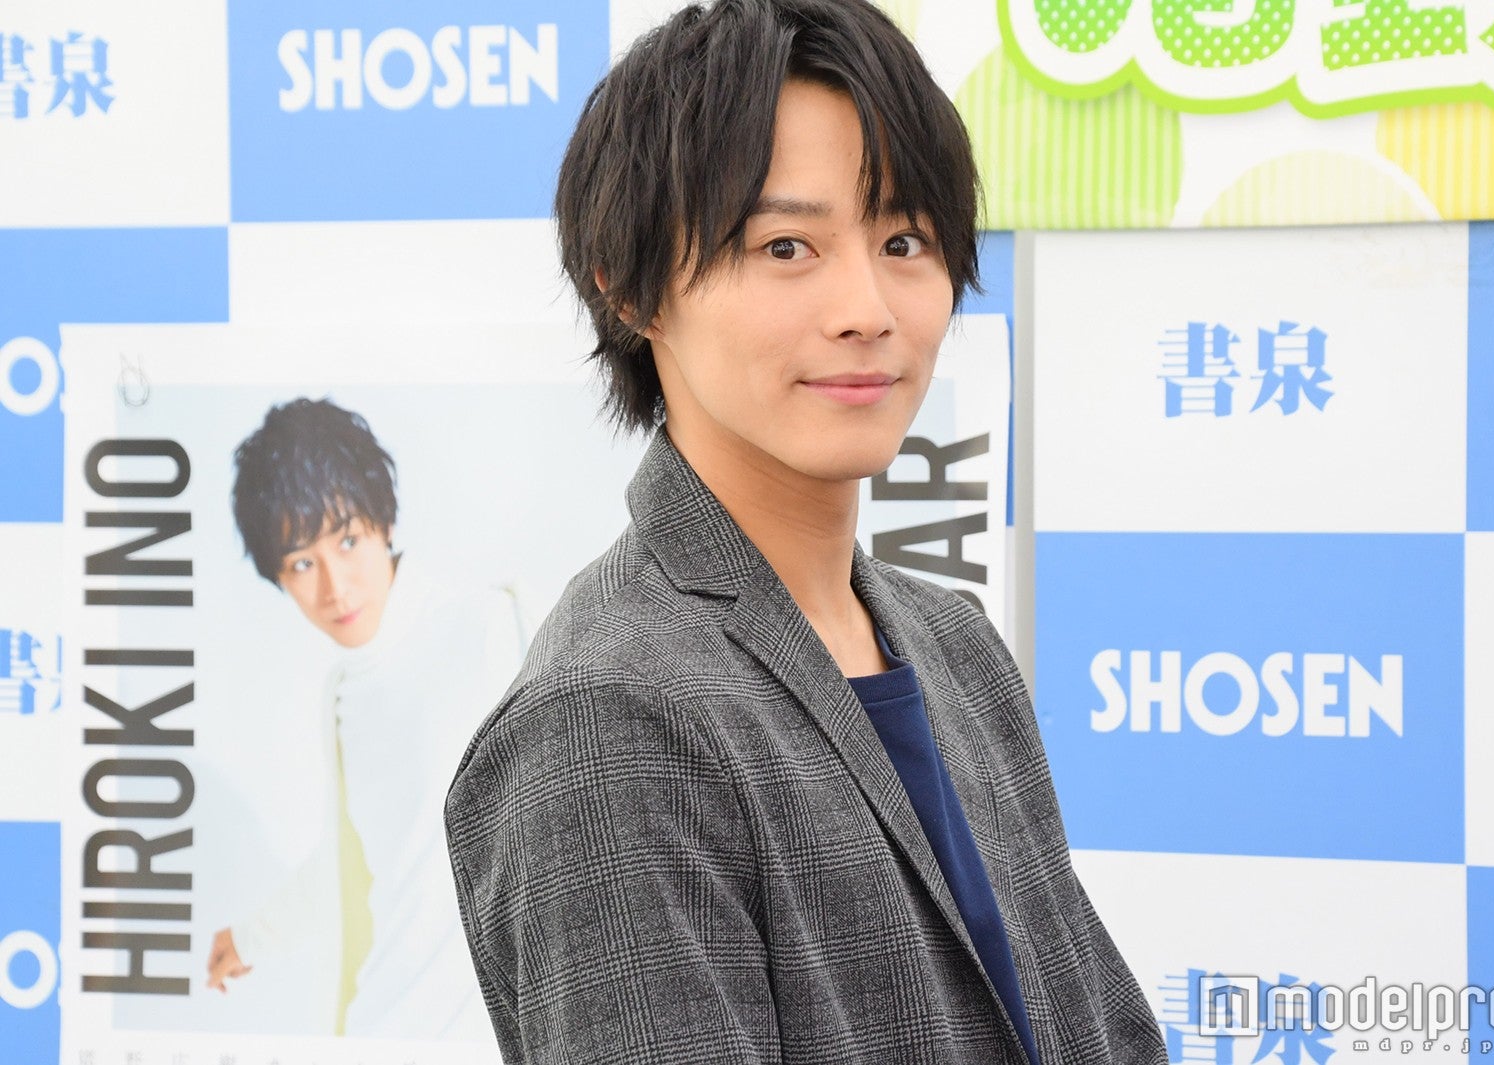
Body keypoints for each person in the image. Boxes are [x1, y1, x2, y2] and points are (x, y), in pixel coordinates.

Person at [444, 1, 1167, 1062]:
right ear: (632, 288)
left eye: (903, 241)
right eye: (786, 246)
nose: (867, 308)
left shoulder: (955, 644)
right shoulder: (609, 717)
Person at [209, 397, 520, 1041]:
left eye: (347, 541)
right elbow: (352, 863)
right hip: (382, 1025)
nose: (335, 587)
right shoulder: (342, 694)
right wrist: (250, 937)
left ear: (385, 520)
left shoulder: (489, 627)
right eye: (302, 563)